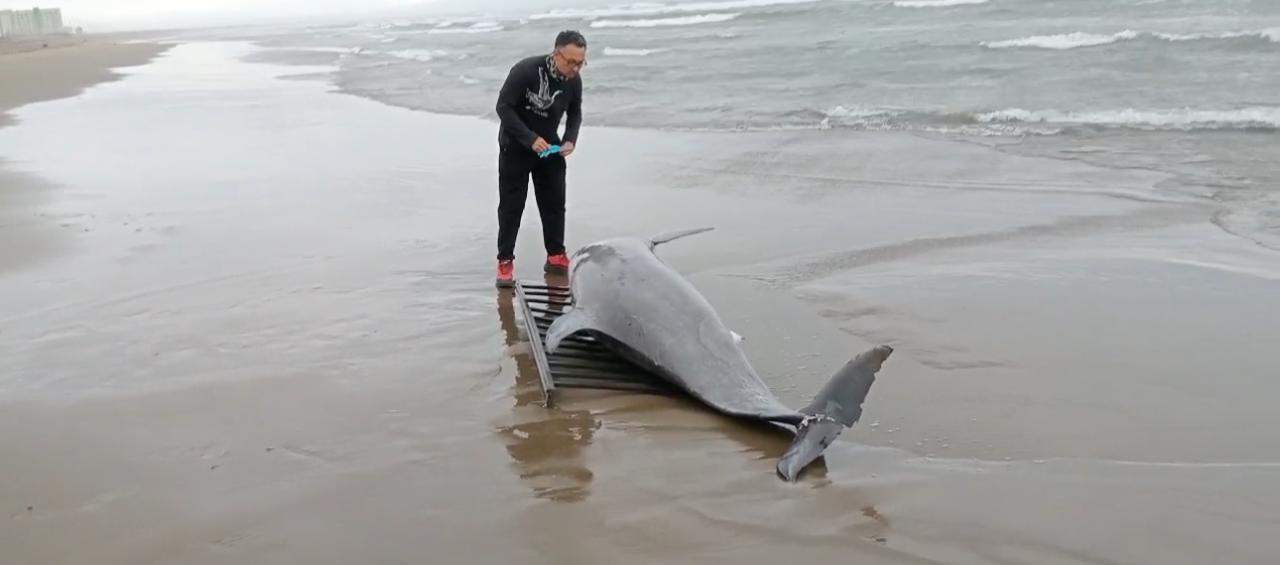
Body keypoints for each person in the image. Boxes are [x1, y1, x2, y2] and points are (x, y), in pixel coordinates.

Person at [493, 30, 587, 288]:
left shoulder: (574, 80)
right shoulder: (526, 70)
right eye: (571, 62)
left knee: (554, 202)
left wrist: (570, 139)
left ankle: (556, 255)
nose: (575, 68)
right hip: (516, 146)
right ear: (556, 54)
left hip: (549, 148)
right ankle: (505, 261)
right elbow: (503, 107)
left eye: (581, 63)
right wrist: (530, 138)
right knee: (512, 206)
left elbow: (575, 112)